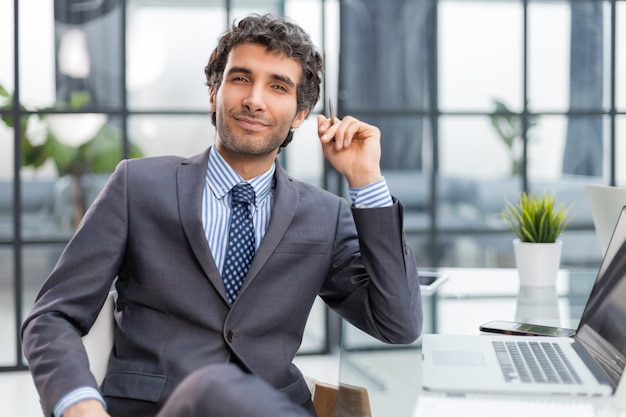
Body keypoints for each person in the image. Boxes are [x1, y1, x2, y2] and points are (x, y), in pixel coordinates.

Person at [21, 13, 423, 417]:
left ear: (300, 115)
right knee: (210, 387)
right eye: (241, 79)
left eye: (278, 86)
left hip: (270, 407)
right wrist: (79, 404)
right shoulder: (137, 186)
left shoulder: (325, 215)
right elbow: (52, 316)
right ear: (214, 93)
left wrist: (366, 179)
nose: (255, 99)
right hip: (157, 409)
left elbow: (397, 324)